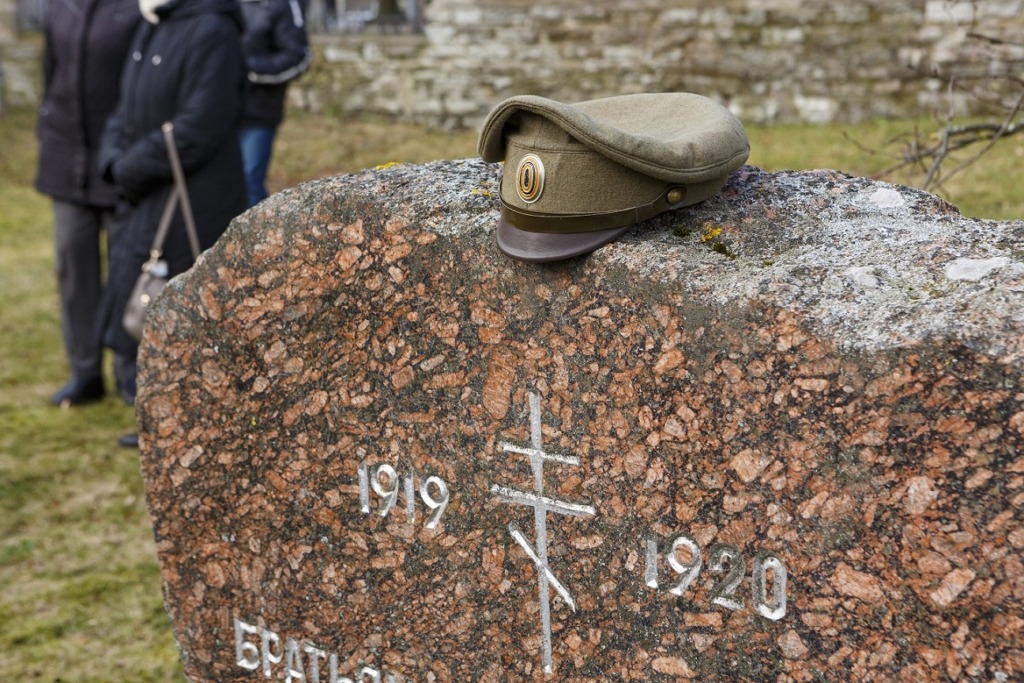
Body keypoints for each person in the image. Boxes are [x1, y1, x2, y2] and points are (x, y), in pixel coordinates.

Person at [99, 0, 249, 447]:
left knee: (185, 313)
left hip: (193, 200)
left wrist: (129, 168)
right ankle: (156, 415)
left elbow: (200, 126)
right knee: (138, 297)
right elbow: (123, 108)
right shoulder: (155, 25)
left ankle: (191, 424)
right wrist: (112, 161)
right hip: (146, 192)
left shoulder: (213, 29)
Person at [35, 0, 142, 407]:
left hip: (119, 159)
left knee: (126, 271)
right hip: (66, 159)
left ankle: (129, 372)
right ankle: (85, 372)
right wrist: (47, 129)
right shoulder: (59, 5)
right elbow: (51, 71)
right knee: (72, 266)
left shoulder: (134, 9)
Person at [238, 0, 312, 207]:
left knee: (248, 183)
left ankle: (259, 236)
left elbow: (297, 56)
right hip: (218, 111)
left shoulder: (280, 5)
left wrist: (249, 70)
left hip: (258, 112)